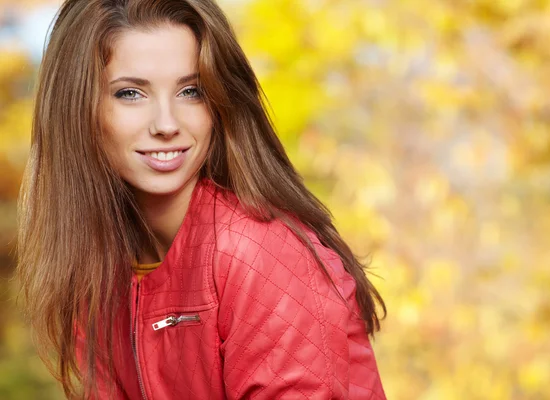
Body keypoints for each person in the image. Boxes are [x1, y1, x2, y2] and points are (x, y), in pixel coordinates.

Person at [16, 0, 387, 398]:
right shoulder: (99, 267)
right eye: (130, 93)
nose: (166, 124)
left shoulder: (257, 251)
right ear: (77, 109)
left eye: (190, 91)